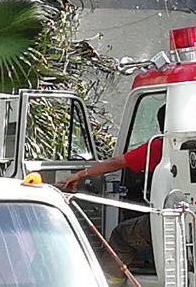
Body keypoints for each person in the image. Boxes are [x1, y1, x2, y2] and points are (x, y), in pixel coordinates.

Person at [60, 106, 166, 285]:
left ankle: (111, 282)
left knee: (121, 235)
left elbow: (117, 162)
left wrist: (80, 174)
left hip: (165, 220)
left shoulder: (159, 146)